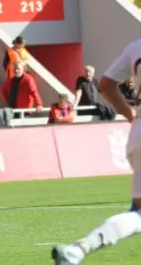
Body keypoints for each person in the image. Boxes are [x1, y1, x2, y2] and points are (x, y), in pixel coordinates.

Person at [51, 34, 141, 265]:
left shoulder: (136, 46)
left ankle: (78, 251)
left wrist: (128, 113)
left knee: (139, 216)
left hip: (139, 134)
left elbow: (105, 83)